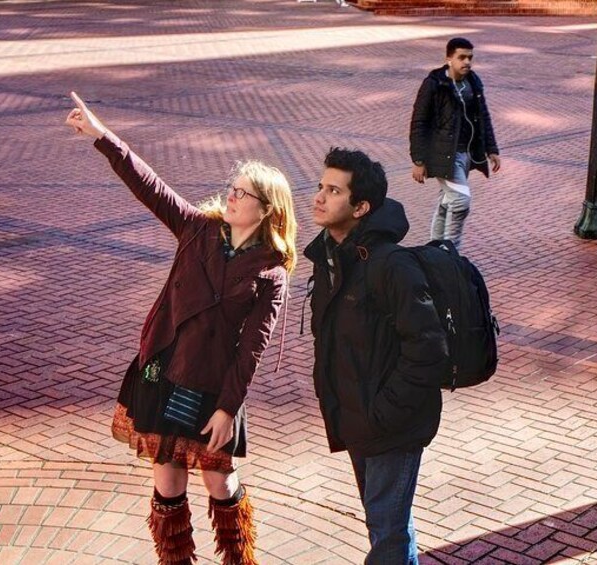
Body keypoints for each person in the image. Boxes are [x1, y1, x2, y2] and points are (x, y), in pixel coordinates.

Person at [65, 92, 297, 565]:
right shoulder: (197, 228)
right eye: (231, 188)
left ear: (266, 209)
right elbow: (148, 185)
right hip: (165, 369)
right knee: (166, 479)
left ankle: (239, 560)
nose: (230, 195)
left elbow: (251, 350)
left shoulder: (271, 272)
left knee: (219, 480)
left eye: (242, 192)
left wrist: (228, 409)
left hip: (212, 386)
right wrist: (101, 136)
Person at [304, 147, 449, 564]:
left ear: (361, 207)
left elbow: (428, 350)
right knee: (386, 522)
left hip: (392, 424)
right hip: (357, 417)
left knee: (386, 533)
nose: (319, 197)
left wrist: (383, 412)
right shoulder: (331, 260)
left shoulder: (392, 266)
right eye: (320, 186)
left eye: (334, 190)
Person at [410, 37, 501, 249]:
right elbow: (418, 123)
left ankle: (435, 249)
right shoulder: (434, 84)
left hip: (467, 154)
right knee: (460, 201)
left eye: (470, 58)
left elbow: (483, 116)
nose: (467, 62)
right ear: (449, 58)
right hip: (443, 154)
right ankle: (451, 252)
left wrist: (491, 149)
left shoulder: (473, 82)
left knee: (447, 201)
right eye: (462, 57)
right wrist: (418, 160)